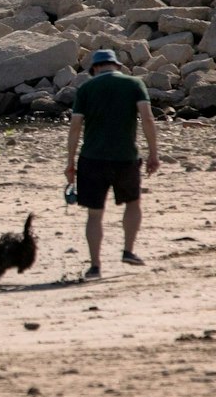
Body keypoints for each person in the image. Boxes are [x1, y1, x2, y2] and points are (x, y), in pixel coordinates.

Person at [66, 48, 160, 279]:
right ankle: (128, 251)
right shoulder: (134, 83)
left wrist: (70, 162)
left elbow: (76, 126)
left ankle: (95, 265)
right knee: (133, 203)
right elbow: (147, 118)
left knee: (95, 214)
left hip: (92, 159)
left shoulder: (86, 88)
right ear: (117, 66)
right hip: (125, 157)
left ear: (95, 68)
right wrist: (153, 153)